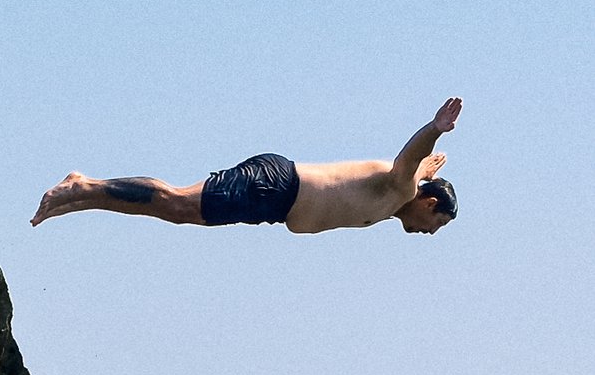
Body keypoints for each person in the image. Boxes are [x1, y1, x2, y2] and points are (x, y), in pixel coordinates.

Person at [31, 97, 462, 235]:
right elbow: (409, 161)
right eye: (435, 223)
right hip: (277, 186)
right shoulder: (400, 190)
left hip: (274, 205)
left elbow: (419, 167)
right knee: (178, 203)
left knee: (180, 213)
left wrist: (427, 166)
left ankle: (85, 197)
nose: (430, 233)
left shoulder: (402, 194)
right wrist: (435, 128)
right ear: (427, 201)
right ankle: (84, 186)